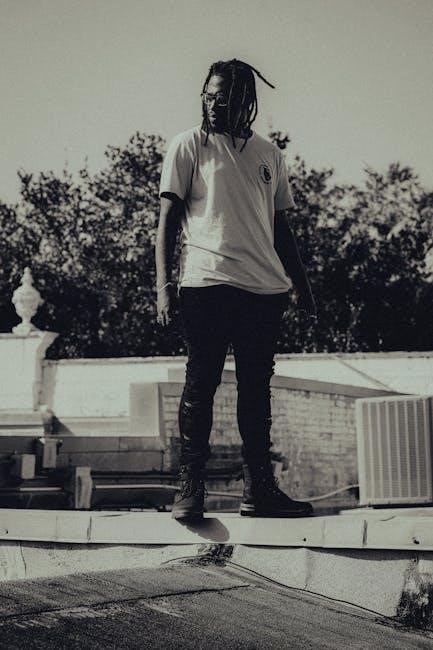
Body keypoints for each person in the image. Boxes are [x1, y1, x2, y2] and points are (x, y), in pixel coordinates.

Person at [155, 59, 316, 521]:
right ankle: (190, 488)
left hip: (264, 291)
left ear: (246, 101)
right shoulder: (189, 145)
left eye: (223, 97)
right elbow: (167, 222)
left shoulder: (269, 154)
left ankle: (259, 490)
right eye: (208, 95)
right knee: (200, 383)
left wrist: (303, 287)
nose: (213, 104)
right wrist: (163, 286)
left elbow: (281, 228)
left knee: (255, 392)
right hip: (206, 283)